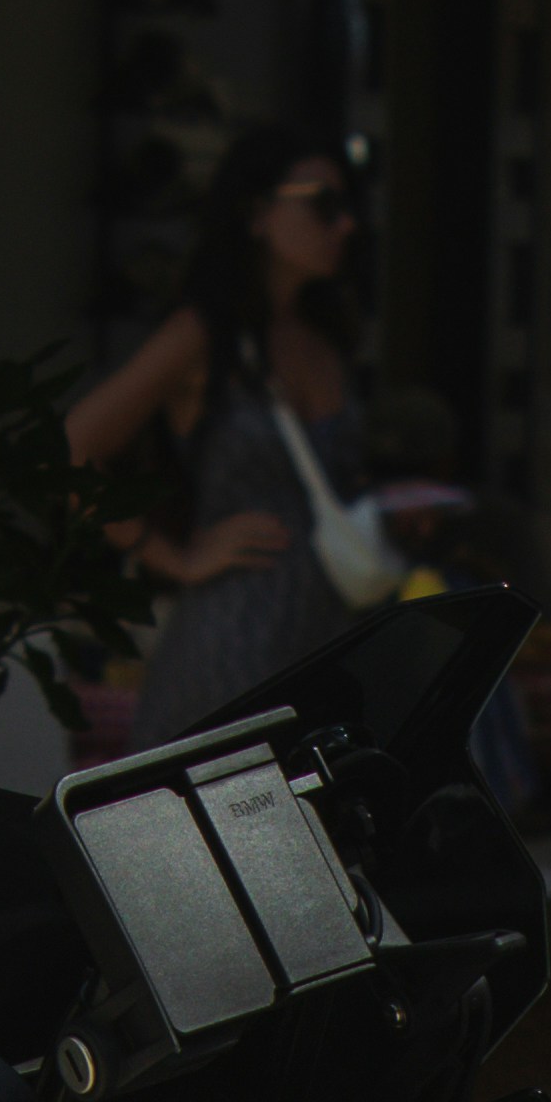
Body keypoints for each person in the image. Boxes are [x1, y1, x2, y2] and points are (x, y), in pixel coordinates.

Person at [67, 129, 368, 746]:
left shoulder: (326, 333)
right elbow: (69, 451)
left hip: (325, 640)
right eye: (322, 204)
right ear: (257, 214)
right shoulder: (203, 334)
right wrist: (171, 556)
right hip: (230, 646)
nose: (345, 226)